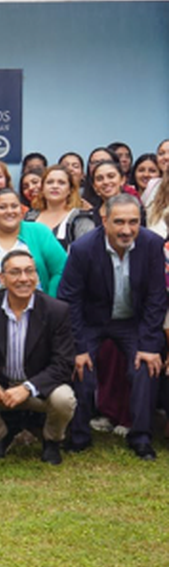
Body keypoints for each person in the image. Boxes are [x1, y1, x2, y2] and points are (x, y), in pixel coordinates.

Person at [58, 194, 167, 460]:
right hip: (92, 322)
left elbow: (156, 297)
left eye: (133, 222)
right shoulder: (83, 248)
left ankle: (141, 437)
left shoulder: (152, 244)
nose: (127, 230)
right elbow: (69, 299)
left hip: (133, 322)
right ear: (104, 220)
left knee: (145, 367)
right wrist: (79, 348)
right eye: (119, 222)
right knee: (82, 367)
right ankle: (79, 436)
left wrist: (149, 345)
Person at [0, 250, 77, 464]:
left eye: (29, 271)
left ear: (37, 276)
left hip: (39, 389)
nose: (24, 278)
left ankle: (52, 440)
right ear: (2, 278)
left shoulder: (56, 310)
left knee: (64, 398)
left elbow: (63, 362)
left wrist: (28, 388)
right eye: (15, 272)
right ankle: (1, 435)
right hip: (0, 387)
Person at [0, 189, 66, 301]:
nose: (9, 211)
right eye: (2, 207)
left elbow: (61, 269)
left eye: (14, 206)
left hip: (41, 308)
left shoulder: (39, 232)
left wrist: (49, 301)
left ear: (21, 210)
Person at [24, 165, 93, 250]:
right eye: (50, 182)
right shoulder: (29, 217)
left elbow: (87, 253)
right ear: (42, 189)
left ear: (70, 190)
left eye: (61, 183)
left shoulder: (80, 220)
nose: (55, 186)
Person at [84, 160, 126, 224]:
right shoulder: (89, 217)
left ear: (122, 180)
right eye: (99, 179)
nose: (105, 182)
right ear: (94, 187)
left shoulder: (137, 211)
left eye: (111, 176)